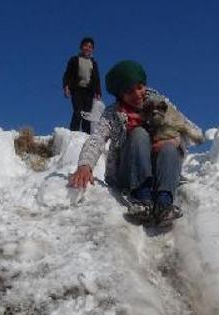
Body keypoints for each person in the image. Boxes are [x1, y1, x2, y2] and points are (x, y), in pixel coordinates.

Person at [69, 60, 203, 226]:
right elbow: (97, 138)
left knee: (169, 146)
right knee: (139, 133)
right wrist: (85, 164)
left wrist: (176, 140)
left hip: (160, 170)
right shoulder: (113, 113)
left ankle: (164, 203)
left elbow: (191, 128)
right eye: (129, 91)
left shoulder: (161, 104)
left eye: (140, 87)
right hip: (130, 172)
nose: (137, 94)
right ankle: (142, 199)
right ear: (120, 95)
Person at [62, 37, 102, 134]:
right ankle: (73, 133)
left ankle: (86, 135)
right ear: (81, 47)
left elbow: (96, 78)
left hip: (89, 91)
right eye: (86, 46)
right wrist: (66, 86)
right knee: (78, 111)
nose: (88, 48)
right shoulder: (75, 60)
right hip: (77, 89)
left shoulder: (93, 63)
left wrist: (98, 92)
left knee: (88, 114)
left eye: (90, 47)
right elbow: (68, 74)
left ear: (92, 50)